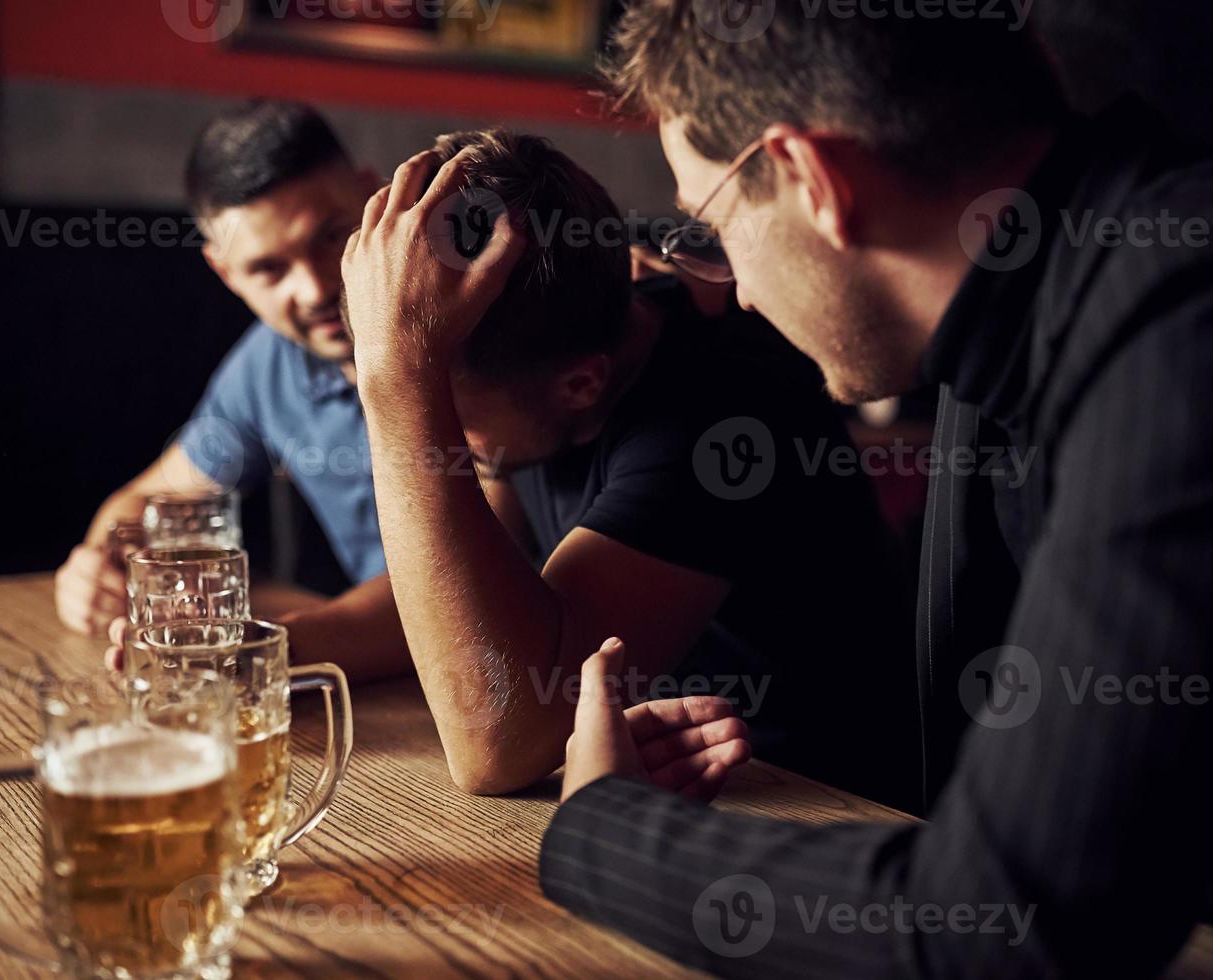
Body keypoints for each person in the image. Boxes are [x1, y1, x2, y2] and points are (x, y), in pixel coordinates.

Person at [529, 3, 1213, 976]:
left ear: (814, 178)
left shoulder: (1208, 310)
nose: (740, 293)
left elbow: (1003, 925)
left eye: (714, 226)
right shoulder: (1029, 306)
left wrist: (601, 825)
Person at [338, 129, 919, 806]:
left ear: (581, 384)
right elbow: (442, 595)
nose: (447, 445)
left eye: (450, 420)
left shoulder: (714, 420)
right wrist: (239, 650)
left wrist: (400, 381)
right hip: (653, 790)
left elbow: (496, 742)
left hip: (818, 815)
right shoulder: (542, 369)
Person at [53, 101, 403, 667]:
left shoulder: (466, 337)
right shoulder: (269, 366)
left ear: (373, 197)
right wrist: (98, 565)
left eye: (330, 236)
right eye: (270, 269)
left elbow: (459, 587)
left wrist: (261, 653)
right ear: (225, 272)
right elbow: (149, 500)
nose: (313, 288)